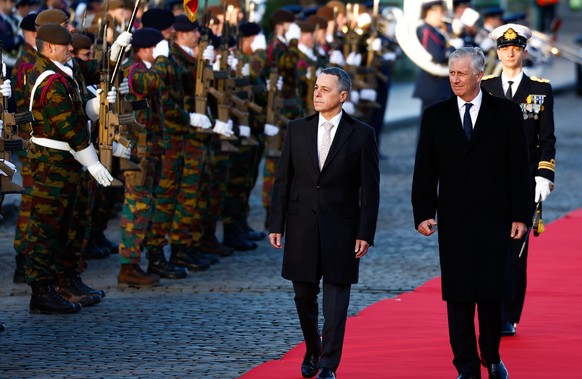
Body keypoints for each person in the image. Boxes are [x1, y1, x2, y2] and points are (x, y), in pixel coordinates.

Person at [411, 46, 532, 379]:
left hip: (496, 220)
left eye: (461, 73)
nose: (455, 79)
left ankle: (491, 356)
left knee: (491, 294)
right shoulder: (435, 116)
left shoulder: (506, 113)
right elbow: (425, 170)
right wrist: (422, 212)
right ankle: (465, 366)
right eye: (451, 73)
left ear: (480, 75)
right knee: (459, 295)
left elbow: (519, 169)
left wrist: (521, 215)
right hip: (454, 221)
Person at [269, 67, 380, 379]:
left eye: (325, 90)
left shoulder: (361, 134)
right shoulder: (297, 129)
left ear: (342, 97)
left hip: (342, 229)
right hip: (301, 225)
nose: (317, 94)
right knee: (303, 296)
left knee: (336, 304)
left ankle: (328, 364)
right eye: (316, 87)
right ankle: (313, 349)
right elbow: (283, 181)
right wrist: (276, 224)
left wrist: (365, 233)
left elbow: (370, 190)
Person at [26, 23, 114, 314]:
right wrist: (93, 162)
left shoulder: (65, 76)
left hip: (67, 162)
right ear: (50, 47)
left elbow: (78, 113)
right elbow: (69, 129)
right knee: (46, 229)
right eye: (66, 46)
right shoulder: (50, 81)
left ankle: (64, 282)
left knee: (68, 227)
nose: (70, 51)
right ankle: (42, 290)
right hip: (53, 163)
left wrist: (97, 106)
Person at [481, 23, 556, 337]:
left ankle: (508, 316)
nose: (510, 53)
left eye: (516, 48)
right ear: (498, 52)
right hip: (488, 183)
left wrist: (543, 174)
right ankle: (488, 310)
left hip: (524, 182)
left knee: (516, 253)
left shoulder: (540, 88)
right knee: (487, 251)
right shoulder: (484, 87)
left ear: (524, 51)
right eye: (504, 48)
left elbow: (547, 137)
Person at [413, 0, 454, 113]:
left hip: (441, 86)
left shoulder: (437, 30)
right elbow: (437, 55)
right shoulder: (426, 30)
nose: (443, 16)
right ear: (430, 12)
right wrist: (453, 48)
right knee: (430, 126)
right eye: (440, 12)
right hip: (433, 85)